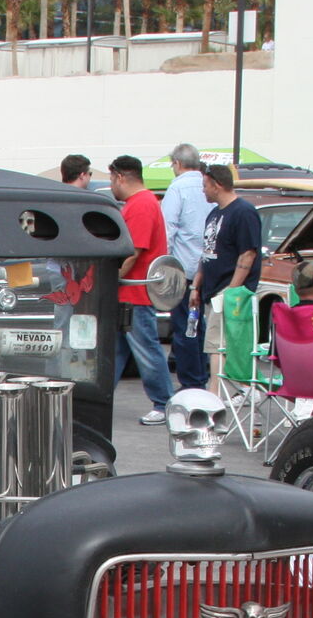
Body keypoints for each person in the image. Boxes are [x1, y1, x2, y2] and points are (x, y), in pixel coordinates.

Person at [108, 155, 175, 425]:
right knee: (116, 350)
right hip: (129, 292)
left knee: (145, 348)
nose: (112, 185)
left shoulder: (141, 204)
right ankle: (99, 398)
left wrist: (111, 278)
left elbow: (133, 252)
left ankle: (164, 403)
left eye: (112, 179)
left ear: (120, 177)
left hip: (135, 293)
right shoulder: (143, 202)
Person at [161, 142, 211, 390]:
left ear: (177, 164)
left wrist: (164, 266)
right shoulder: (208, 185)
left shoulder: (177, 188)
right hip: (208, 269)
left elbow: (168, 230)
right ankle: (202, 375)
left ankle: (192, 381)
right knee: (202, 326)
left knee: (185, 327)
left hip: (184, 270)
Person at [191, 163, 263, 321]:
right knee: (211, 344)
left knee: (215, 345)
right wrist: (195, 287)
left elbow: (248, 254)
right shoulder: (213, 213)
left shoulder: (243, 212)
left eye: (205, 186)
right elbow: (207, 252)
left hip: (228, 294)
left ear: (217, 186)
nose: (203, 190)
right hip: (211, 294)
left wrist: (230, 293)